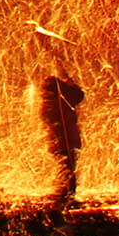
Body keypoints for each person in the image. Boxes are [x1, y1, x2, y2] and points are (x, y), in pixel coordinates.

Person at [38, 71, 84, 206]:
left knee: (67, 164)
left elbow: (78, 95)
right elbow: (78, 95)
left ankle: (66, 192)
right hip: (65, 139)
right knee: (68, 164)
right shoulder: (61, 102)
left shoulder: (57, 103)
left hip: (64, 140)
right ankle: (67, 192)